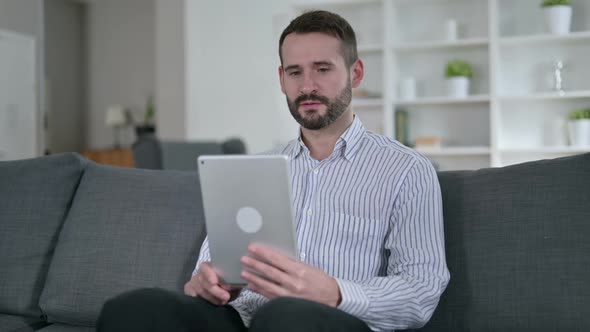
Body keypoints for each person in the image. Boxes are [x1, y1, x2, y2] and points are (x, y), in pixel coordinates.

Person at [97, 10, 449, 332]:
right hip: (241, 318)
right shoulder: (253, 168)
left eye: (322, 69)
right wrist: (204, 284)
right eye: (295, 72)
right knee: (134, 309)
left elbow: (421, 290)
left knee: (285, 316)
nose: (307, 86)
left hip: (336, 321)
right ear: (282, 79)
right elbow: (210, 268)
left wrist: (336, 293)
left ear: (355, 73)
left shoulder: (406, 170)